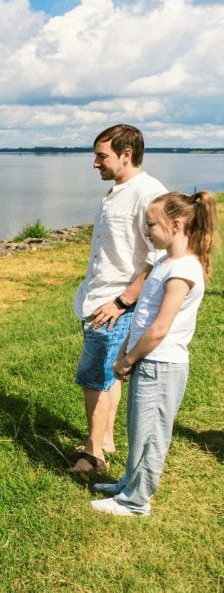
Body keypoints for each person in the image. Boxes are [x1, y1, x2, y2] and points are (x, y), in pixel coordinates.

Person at [90, 191, 216, 516]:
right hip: (148, 360)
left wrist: (127, 359)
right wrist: (126, 351)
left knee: (152, 434)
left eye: (150, 225)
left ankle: (136, 502)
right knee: (138, 428)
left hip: (162, 364)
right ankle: (129, 483)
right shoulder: (164, 261)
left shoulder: (183, 271)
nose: (146, 232)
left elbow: (159, 328)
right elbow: (144, 315)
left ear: (174, 225)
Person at [68, 124, 167, 474]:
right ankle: (105, 438)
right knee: (108, 375)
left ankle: (93, 455)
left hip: (113, 305)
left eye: (101, 155)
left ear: (126, 154)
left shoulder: (148, 193)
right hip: (98, 298)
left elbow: (158, 258)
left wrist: (122, 302)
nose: (95, 163)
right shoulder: (118, 190)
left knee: (94, 378)